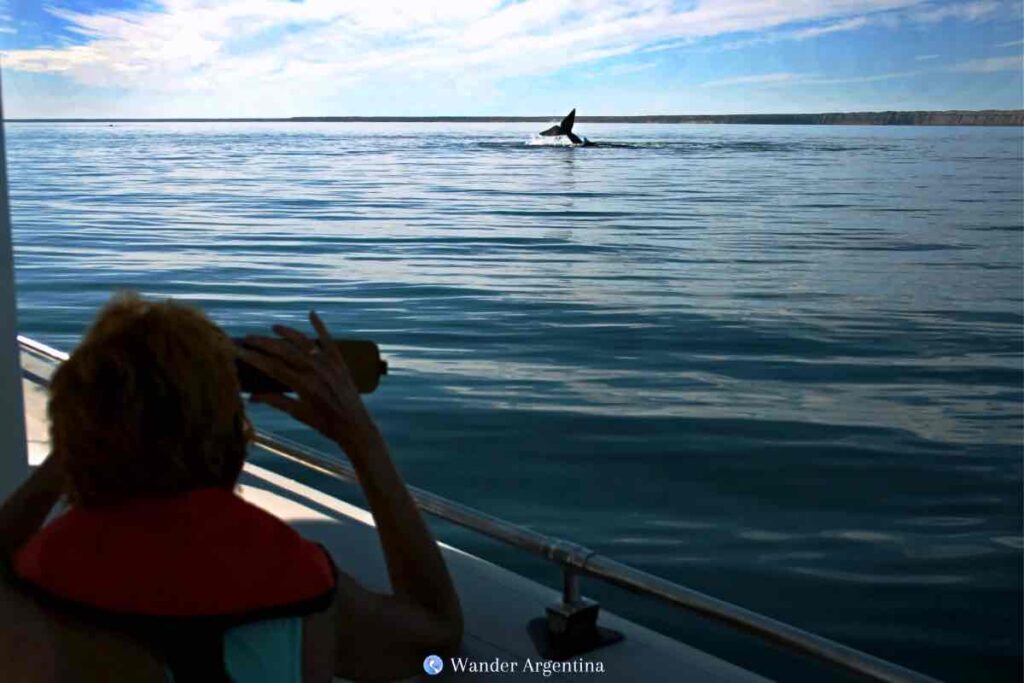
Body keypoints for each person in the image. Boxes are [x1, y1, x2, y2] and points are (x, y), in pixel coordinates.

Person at [0, 292, 463, 681]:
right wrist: (362, 442)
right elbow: (435, 635)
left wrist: (81, 439)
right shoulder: (304, 588)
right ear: (232, 436)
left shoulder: (35, 593)